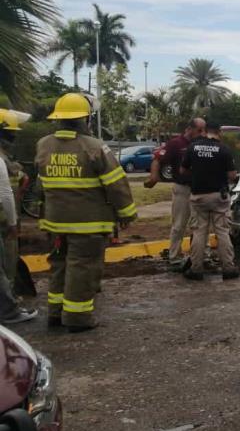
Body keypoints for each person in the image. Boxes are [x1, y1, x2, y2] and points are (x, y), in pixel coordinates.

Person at [36, 93, 137, 332]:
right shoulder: (94, 147)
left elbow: (41, 185)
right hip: (88, 224)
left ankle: (55, 313)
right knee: (83, 268)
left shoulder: (43, 145)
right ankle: (77, 319)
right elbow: (116, 184)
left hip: (54, 222)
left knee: (59, 265)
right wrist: (126, 214)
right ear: (86, 119)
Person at [145, 118, 206, 271]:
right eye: (199, 130)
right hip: (182, 189)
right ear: (189, 128)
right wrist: (154, 177)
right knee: (179, 224)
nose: (202, 133)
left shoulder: (202, 144)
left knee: (198, 226)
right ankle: (174, 257)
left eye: (203, 130)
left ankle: (197, 256)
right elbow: (157, 159)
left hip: (199, 189)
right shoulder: (175, 144)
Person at [181, 123, 239, 281]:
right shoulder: (224, 149)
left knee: (199, 232)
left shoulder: (193, 148)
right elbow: (233, 175)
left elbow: (183, 170)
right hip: (219, 196)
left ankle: (196, 269)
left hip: (198, 195)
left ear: (205, 132)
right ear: (219, 132)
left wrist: (197, 174)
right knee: (222, 231)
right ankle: (228, 268)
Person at [0, 111, 35, 324]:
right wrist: (13, 223)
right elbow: (5, 194)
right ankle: (9, 310)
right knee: (5, 268)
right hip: (4, 222)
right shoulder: (1, 160)